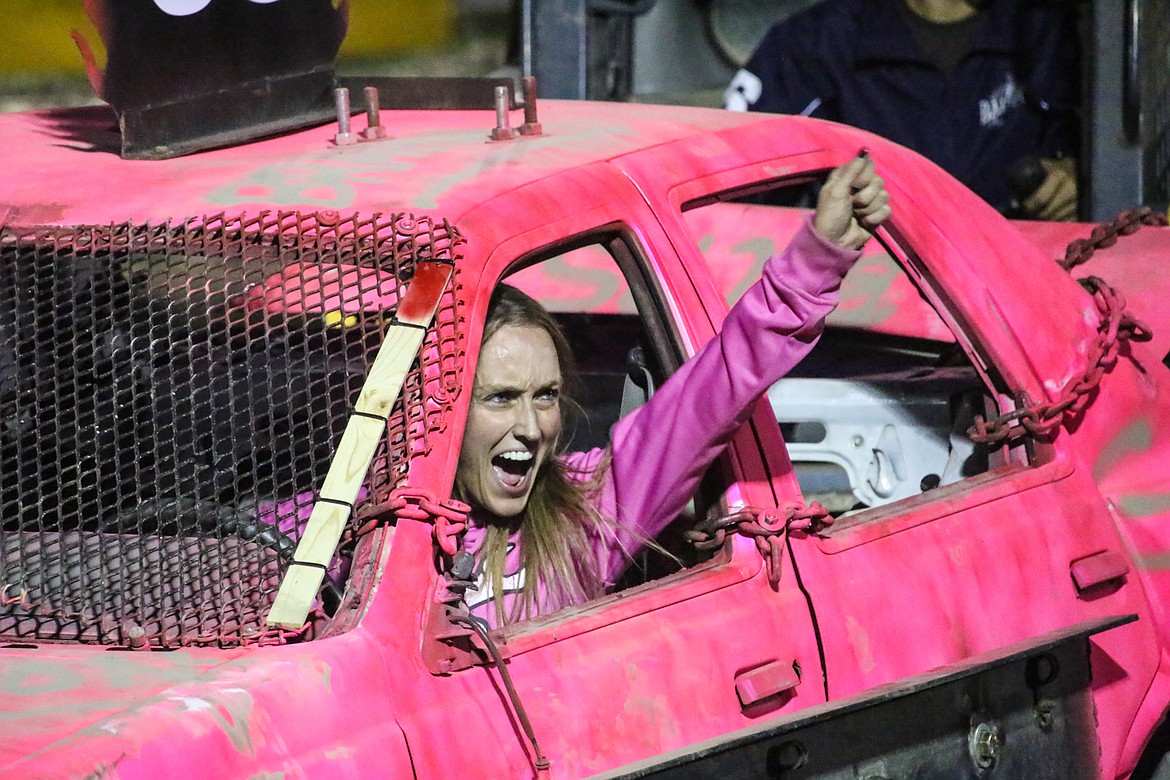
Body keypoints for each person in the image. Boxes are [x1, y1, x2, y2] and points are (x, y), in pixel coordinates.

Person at [454, 154, 891, 626]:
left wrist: (816, 261)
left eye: (546, 395)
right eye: (500, 398)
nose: (532, 427)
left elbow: (710, 395)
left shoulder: (586, 513)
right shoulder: (375, 536)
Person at [724, 0, 1080, 221]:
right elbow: (726, 179)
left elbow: (1113, 158)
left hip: (1026, 284)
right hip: (870, 301)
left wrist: (1076, 179)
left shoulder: (1055, 31)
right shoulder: (817, 41)